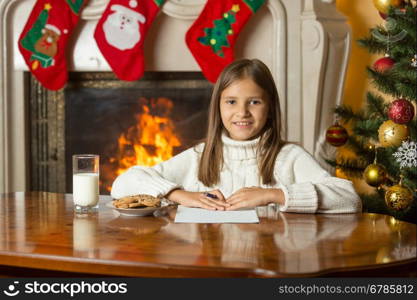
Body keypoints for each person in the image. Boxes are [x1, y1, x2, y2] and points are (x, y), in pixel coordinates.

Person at [111, 59, 362, 213]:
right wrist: (181, 196)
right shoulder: (200, 157)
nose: (242, 112)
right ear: (218, 108)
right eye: (231, 102)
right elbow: (122, 184)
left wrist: (273, 195)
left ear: (270, 107)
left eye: (254, 102)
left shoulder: (289, 157)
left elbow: (349, 199)